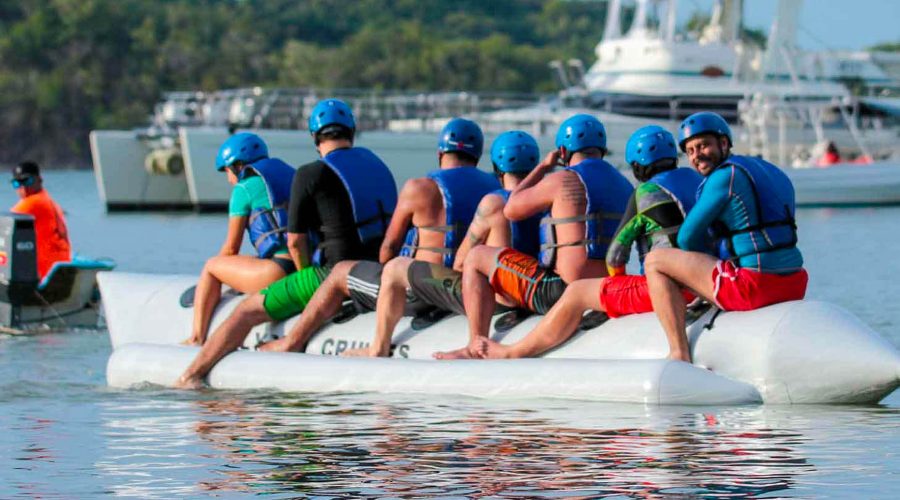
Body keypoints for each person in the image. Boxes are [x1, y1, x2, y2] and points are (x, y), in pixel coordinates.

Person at [175, 98, 398, 388]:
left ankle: (190, 377)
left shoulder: (310, 173)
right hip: (377, 272)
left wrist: (305, 274)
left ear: (315, 138)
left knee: (243, 312)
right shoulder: (377, 165)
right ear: (351, 133)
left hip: (333, 276)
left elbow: (295, 243)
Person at [259, 118, 501, 355]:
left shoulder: (419, 188)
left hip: (420, 293)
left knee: (341, 271)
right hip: (467, 291)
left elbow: (389, 248)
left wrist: (386, 286)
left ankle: (293, 341)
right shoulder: (492, 189)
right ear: (478, 157)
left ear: (440, 154)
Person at [478, 126, 702, 359]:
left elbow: (616, 254)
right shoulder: (697, 183)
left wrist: (615, 290)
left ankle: (512, 351)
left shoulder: (643, 193)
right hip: (706, 280)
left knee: (576, 292)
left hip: (664, 288)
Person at [446, 114, 634, 359]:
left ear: (563, 151)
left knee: (475, 256)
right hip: (605, 288)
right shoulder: (626, 185)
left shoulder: (562, 179)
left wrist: (544, 168)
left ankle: (475, 344)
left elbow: (511, 208)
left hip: (559, 290)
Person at [342, 130, 543, 358]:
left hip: (496, 300)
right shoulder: (545, 201)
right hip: (532, 292)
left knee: (395, 267)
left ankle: (378, 348)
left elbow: (460, 263)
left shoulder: (493, 204)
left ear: (497, 167)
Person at [642, 111, 808, 363]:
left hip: (755, 286)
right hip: (796, 281)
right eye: (690, 151)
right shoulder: (769, 169)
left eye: (703, 145)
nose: (697, 155)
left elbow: (687, 238)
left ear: (724, 143)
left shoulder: (724, 177)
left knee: (655, 261)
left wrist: (697, 273)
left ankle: (679, 353)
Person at [182, 132, 297, 346]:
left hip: (279, 272)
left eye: (227, 171)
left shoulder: (244, 188)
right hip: (304, 269)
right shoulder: (291, 177)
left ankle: (196, 337)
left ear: (238, 165)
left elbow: (230, 249)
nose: (228, 179)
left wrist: (214, 279)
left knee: (211, 266)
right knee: (250, 259)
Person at [9, 161, 71, 280]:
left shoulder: (34, 203)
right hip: (58, 269)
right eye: (17, 183)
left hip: (46, 273)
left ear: (39, 180)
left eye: (27, 181)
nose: (23, 188)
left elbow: (6, 222)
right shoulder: (46, 199)